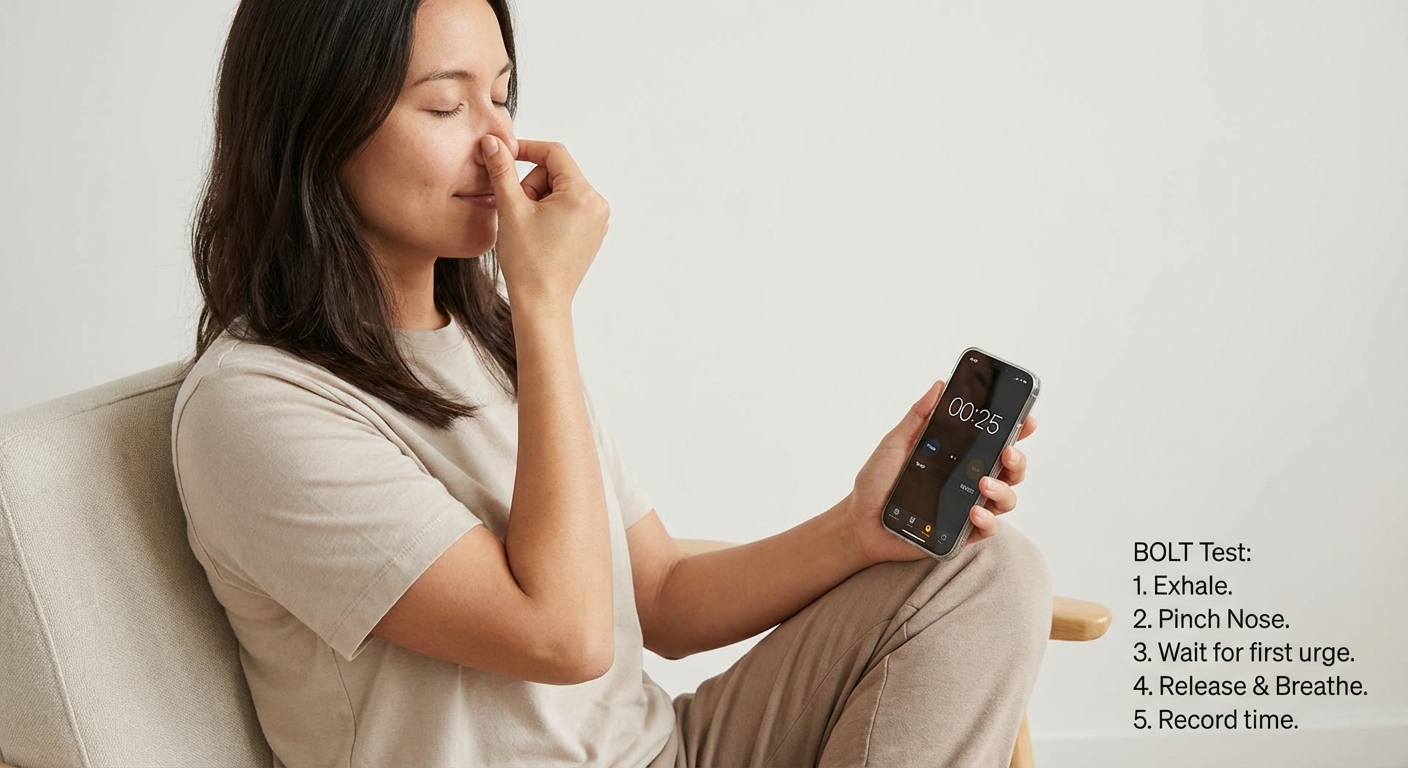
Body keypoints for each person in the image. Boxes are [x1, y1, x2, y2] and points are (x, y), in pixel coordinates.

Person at [171, 0, 1052, 765]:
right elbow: (564, 636)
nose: (498, 142)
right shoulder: (256, 407)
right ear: (313, 123)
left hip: (664, 750)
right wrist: (544, 306)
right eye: (445, 103)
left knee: (985, 572)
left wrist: (857, 530)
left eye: (503, 94)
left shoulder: (488, 342)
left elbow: (659, 595)